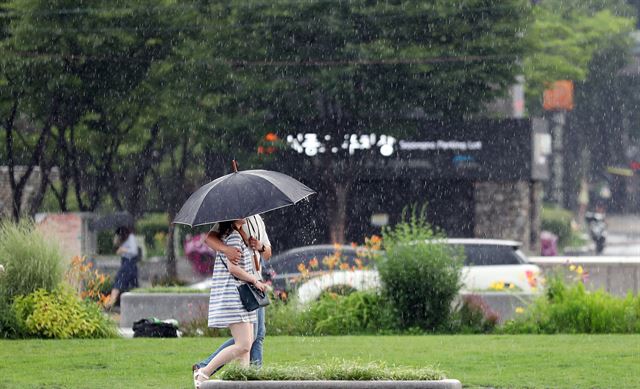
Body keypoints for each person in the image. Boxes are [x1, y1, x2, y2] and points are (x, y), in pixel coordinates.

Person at [192, 215, 272, 374]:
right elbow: (210, 239)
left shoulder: (256, 221)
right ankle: (205, 368)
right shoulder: (232, 226)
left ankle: (248, 378)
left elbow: (267, 253)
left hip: (254, 283)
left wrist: (259, 246)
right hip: (245, 286)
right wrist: (226, 249)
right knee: (246, 341)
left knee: (256, 336)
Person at [105, 226, 140, 309]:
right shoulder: (123, 239)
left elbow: (134, 251)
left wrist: (124, 250)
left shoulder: (131, 238)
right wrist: (117, 242)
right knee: (131, 284)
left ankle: (111, 302)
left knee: (120, 280)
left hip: (129, 262)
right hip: (125, 262)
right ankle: (133, 304)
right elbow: (115, 245)